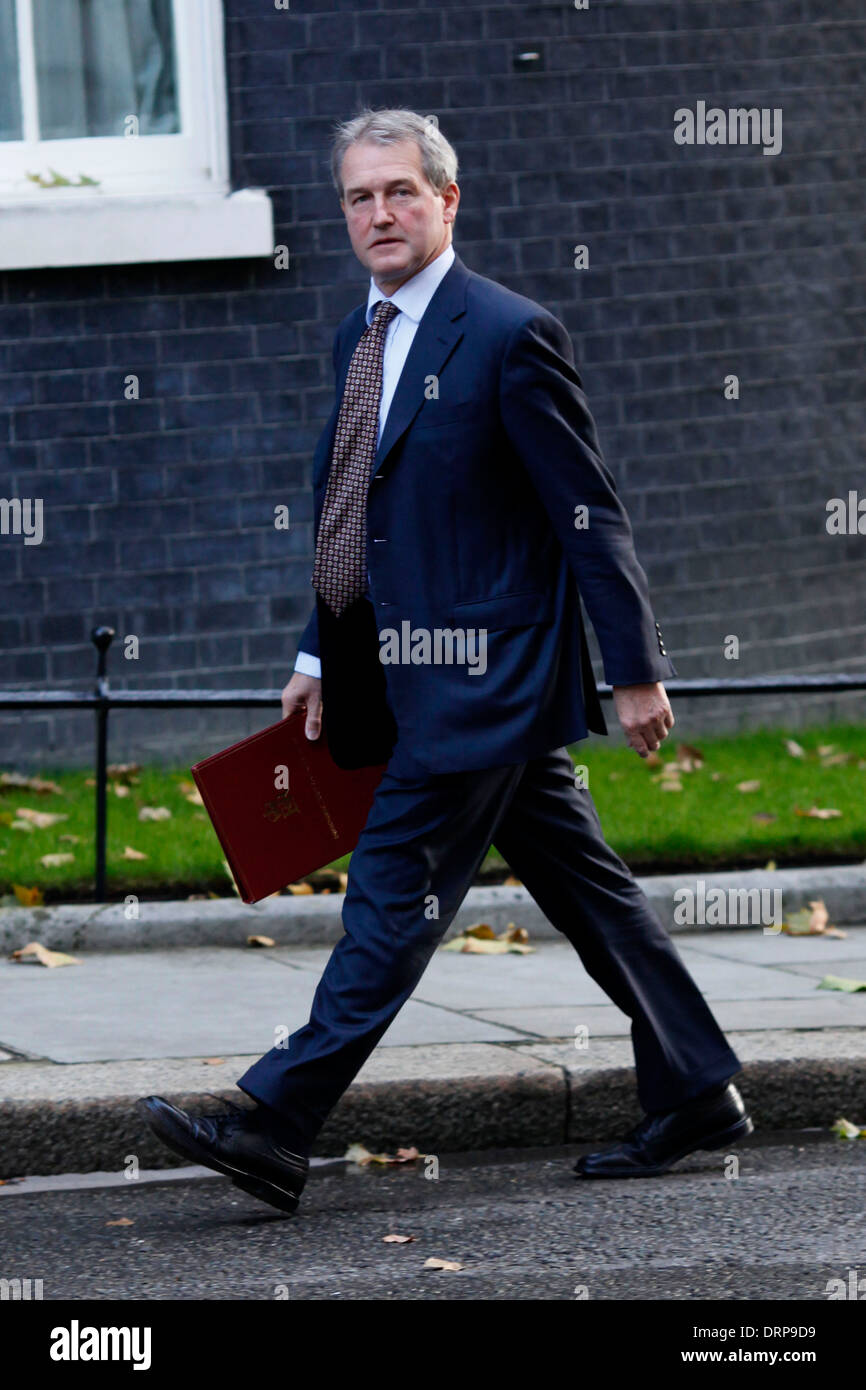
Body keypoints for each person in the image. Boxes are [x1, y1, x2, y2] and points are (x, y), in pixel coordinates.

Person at [142, 108, 751, 1215]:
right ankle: (697, 1086)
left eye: (400, 193)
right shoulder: (356, 334)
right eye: (359, 198)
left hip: (481, 677)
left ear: (445, 201)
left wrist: (634, 668)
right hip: (397, 670)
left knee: (389, 892)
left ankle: (277, 1123)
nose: (379, 213)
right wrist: (315, 652)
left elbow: (587, 515)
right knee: (589, 889)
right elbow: (351, 515)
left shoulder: (510, 333)